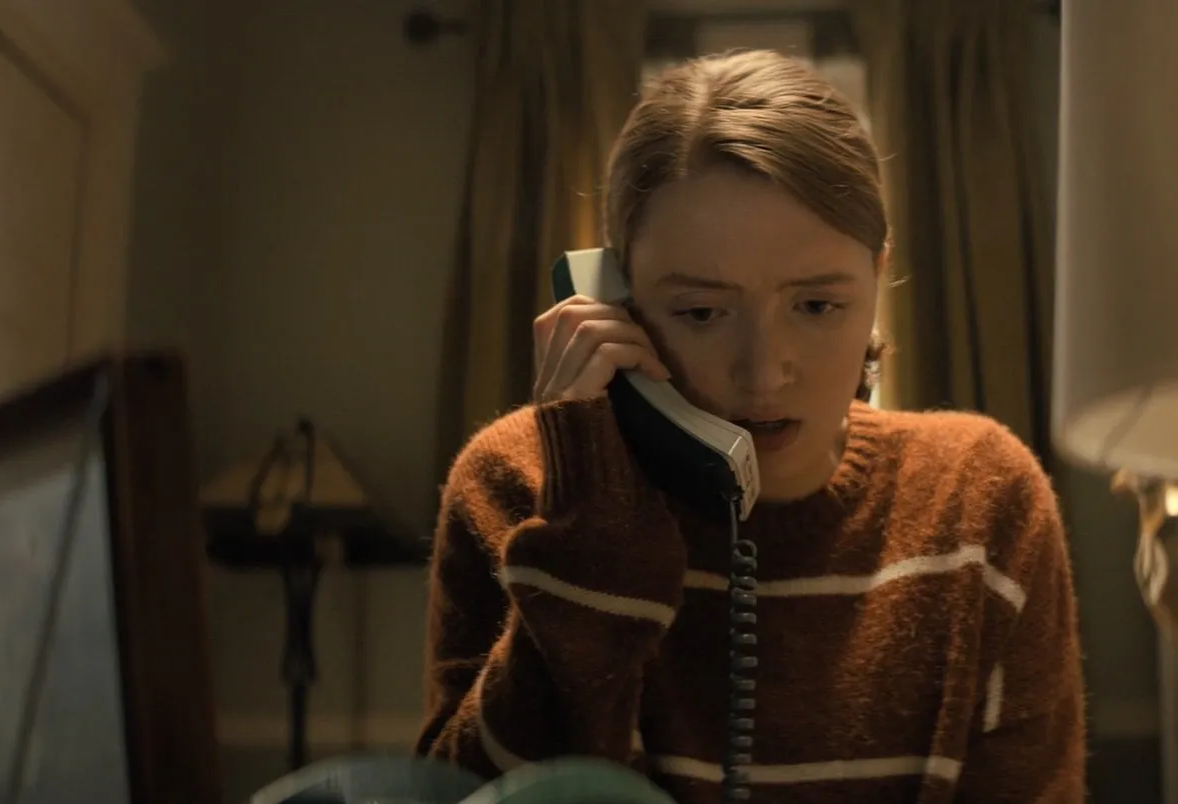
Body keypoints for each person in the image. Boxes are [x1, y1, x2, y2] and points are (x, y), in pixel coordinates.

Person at [416, 49, 1085, 803]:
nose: (765, 374)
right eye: (702, 313)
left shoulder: (984, 500)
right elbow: (469, 793)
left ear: (878, 280)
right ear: (613, 300)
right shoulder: (514, 485)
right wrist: (590, 546)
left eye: (817, 306)